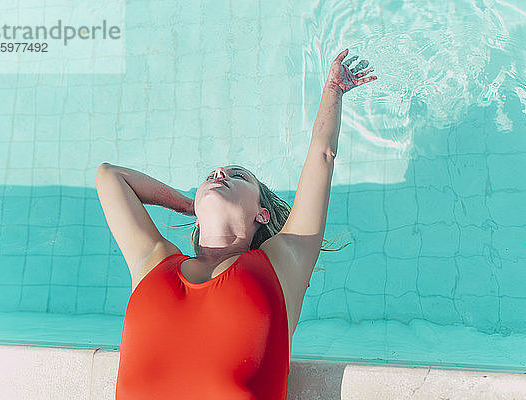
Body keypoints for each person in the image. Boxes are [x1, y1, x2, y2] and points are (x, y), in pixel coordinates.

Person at [96, 47, 376, 400]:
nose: (219, 173)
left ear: (262, 213)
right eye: (212, 175)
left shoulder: (283, 262)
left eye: (237, 175)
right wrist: (193, 204)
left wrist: (333, 92)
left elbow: (323, 154)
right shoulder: (154, 261)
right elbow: (109, 177)